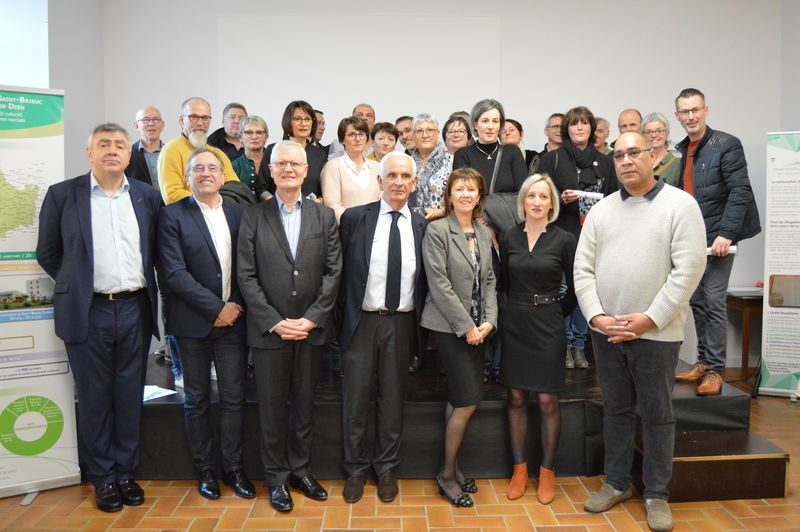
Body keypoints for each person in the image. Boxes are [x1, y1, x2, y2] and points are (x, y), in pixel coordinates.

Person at [574, 131, 706, 532]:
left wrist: (650, 318)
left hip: (656, 333)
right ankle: (616, 483)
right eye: (619, 155)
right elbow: (583, 270)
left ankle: (656, 494)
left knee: (656, 413)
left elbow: (689, 271)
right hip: (608, 331)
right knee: (615, 409)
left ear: (654, 155)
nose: (626, 160)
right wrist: (597, 317)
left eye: (634, 153)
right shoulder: (601, 211)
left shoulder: (680, 206)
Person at [36, 123, 161, 513]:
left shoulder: (146, 196)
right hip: (88, 310)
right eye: (103, 144)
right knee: (94, 398)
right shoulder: (63, 195)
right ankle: (102, 477)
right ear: (89, 153)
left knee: (128, 395)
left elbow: (155, 250)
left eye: (119, 145)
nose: (112, 150)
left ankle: (126, 472)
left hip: (135, 307)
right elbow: (48, 252)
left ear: (129, 154)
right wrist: (77, 283)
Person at [237, 140, 341, 513]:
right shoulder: (253, 216)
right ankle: (277, 478)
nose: (288, 169)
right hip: (270, 334)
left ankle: (302, 470)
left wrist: (312, 318)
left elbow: (333, 273)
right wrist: (276, 322)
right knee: (272, 410)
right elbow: (246, 277)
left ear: (305, 169)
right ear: (270, 169)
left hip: (311, 332)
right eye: (280, 163)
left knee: (304, 408)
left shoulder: (324, 217)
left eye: (295, 163)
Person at [157, 149, 253, 501]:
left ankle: (233, 468)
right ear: (186, 177)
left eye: (213, 167)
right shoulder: (170, 216)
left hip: (234, 322)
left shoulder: (240, 213)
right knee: (196, 400)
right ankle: (206, 471)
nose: (207, 173)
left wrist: (236, 305)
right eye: (199, 168)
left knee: (233, 398)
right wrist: (216, 308)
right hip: (191, 323)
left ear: (223, 175)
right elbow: (173, 273)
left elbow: (249, 267)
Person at [338, 152, 427, 504]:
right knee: (355, 400)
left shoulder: (422, 224)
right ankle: (356, 469)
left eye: (406, 176)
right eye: (392, 175)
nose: (399, 182)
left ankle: (387, 467)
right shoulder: (355, 219)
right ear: (380, 180)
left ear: (415, 182)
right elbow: (340, 273)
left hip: (402, 323)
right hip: (361, 322)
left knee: (392, 399)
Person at [672, 88, 762, 396]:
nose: (691, 116)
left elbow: (740, 192)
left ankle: (715, 371)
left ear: (706, 110)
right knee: (697, 301)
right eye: (685, 112)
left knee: (712, 300)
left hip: (719, 239)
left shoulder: (726, 144)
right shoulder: (680, 149)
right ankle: (702, 362)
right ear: (678, 116)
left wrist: (727, 233)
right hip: (692, 240)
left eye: (695, 110)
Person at [421, 167, 498, 508]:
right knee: (467, 400)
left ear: (479, 196)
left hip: (479, 329)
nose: (466, 194)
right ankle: (446, 474)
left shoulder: (482, 232)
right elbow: (439, 284)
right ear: (449, 195)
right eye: (459, 189)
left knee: (459, 399)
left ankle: (454, 468)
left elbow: (492, 280)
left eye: (472, 189)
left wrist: (489, 322)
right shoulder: (437, 230)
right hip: (449, 328)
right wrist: (467, 326)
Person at [500, 174, 577, 504]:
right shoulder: (508, 237)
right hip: (515, 322)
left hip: (548, 324)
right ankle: (520, 469)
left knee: (547, 401)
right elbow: (501, 282)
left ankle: (547, 472)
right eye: (531, 195)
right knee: (516, 398)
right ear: (523, 201)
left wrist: (556, 313)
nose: (536, 202)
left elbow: (575, 289)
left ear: (552, 203)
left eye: (543, 196)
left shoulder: (563, 239)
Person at [534, 106, 617, 370]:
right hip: (559, 236)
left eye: (584, 123)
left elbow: (616, 200)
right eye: (574, 124)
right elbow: (535, 196)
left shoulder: (606, 162)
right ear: (566, 129)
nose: (579, 128)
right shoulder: (552, 160)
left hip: (594, 237)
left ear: (592, 128)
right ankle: (564, 345)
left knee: (586, 293)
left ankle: (579, 346)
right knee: (562, 291)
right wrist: (560, 198)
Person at [158, 97, 238, 205]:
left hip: (219, 214)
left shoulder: (218, 154)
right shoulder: (171, 150)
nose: (200, 123)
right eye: (194, 117)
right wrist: (209, 203)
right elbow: (172, 195)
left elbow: (235, 189)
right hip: (188, 216)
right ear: (181, 121)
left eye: (205, 118)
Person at [453, 99, 527, 193]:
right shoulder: (463, 155)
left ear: (500, 125)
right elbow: (462, 192)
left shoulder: (512, 152)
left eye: (495, 121)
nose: (490, 127)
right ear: (475, 124)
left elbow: (522, 192)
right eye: (485, 121)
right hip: (476, 208)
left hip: (508, 207)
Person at [260, 101, 327, 201]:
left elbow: (323, 192)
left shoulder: (320, 154)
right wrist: (274, 203)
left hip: (310, 213)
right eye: (297, 119)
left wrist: (317, 203)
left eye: (307, 119)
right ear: (288, 121)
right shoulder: (273, 150)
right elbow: (261, 187)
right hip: (275, 212)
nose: (303, 123)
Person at [321, 117, 382, 222]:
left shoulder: (378, 167)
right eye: (351, 135)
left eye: (361, 134)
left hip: (376, 230)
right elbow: (332, 205)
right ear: (342, 140)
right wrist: (355, 225)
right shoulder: (333, 166)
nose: (357, 139)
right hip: (347, 230)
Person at [409, 113, 453, 218]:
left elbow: (461, 198)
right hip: (412, 225)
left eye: (430, 130)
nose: (425, 135)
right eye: (419, 131)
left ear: (437, 133)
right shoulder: (407, 163)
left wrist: (440, 212)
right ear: (413, 135)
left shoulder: (452, 161)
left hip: (443, 225)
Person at [231, 115, 269, 200]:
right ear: (240, 137)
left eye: (259, 132)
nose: (254, 137)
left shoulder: (275, 162)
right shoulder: (234, 166)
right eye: (249, 132)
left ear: (266, 137)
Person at [128, 106, 164, 188]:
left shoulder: (171, 152)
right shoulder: (128, 154)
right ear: (136, 126)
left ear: (162, 125)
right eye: (146, 120)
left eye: (156, 119)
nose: (151, 123)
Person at [641, 112, 680, 186]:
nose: (654, 135)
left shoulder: (678, 164)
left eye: (659, 131)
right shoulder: (639, 162)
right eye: (649, 132)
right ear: (643, 136)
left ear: (667, 134)